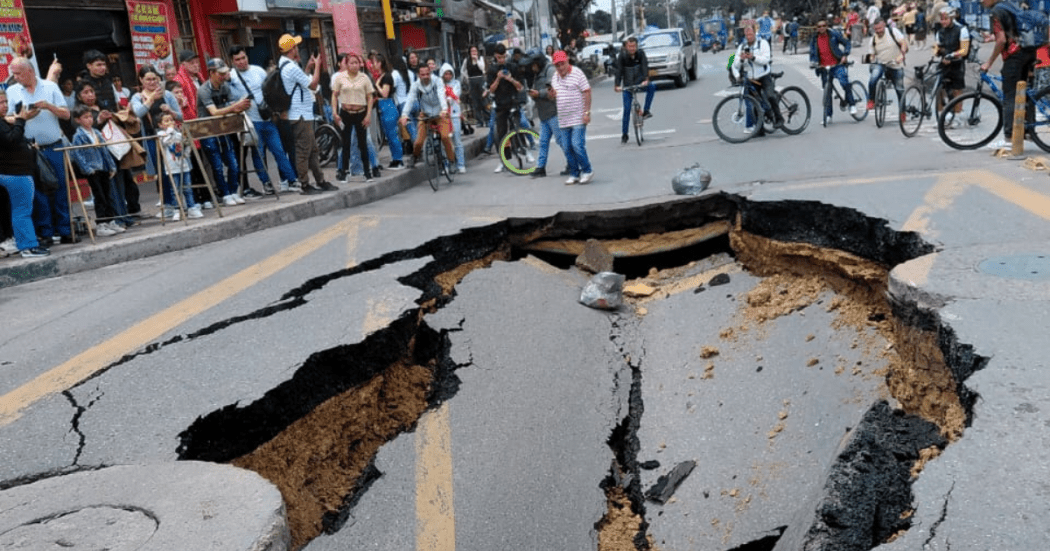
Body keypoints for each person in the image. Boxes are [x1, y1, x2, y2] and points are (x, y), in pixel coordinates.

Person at [5, 57, 78, 245]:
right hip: (28, 149)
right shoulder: (12, 91)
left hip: (53, 145)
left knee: (60, 187)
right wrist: (23, 117)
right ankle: (45, 232)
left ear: (29, 71)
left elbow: (67, 114)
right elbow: (7, 118)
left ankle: (65, 229)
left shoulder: (50, 87)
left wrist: (48, 106)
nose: (15, 77)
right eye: (14, 73)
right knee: (37, 193)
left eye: (18, 73)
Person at [228, 45, 299, 194]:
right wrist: (238, 105)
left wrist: (275, 109)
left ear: (247, 56)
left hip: (268, 119)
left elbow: (270, 90)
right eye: (237, 59)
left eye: (243, 58)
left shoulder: (258, 71)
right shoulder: (231, 77)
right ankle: (266, 183)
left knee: (279, 151)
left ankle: (292, 179)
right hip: (251, 122)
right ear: (232, 61)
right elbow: (229, 100)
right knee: (258, 154)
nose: (241, 62)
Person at [277, 33, 333, 195]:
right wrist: (317, 66)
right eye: (295, 46)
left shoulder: (286, 65)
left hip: (302, 114)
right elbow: (313, 85)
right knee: (303, 151)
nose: (298, 49)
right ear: (291, 49)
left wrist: (308, 68)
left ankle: (320, 180)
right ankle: (305, 184)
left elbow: (300, 83)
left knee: (313, 149)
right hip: (300, 115)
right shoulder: (291, 67)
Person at [0, 88, 49, 257]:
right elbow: (10, 139)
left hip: (19, 171)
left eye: (5, 102)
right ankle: (27, 246)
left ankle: (28, 244)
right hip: (14, 172)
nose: (4, 106)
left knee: (22, 210)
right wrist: (21, 121)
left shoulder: (4, 121)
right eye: (1, 103)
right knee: (22, 211)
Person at [131, 65, 185, 217]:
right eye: (148, 79)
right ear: (141, 80)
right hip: (152, 138)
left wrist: (170, 111)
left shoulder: (167, 94)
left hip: (171, 137)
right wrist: (150, 100)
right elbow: (138, 112)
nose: (152, 82)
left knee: (176, 169)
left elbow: (180, 116)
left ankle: (182, 203)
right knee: (161, 173)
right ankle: (168, 205)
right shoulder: (137, 97)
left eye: (154, 78)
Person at [197, 58, 251, 206]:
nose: (223, 76)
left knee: (233, 163)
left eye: (225, 73)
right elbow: (214, 112)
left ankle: (233, 191)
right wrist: (234, 108)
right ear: (211, 73)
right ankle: (225, 194)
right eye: (220, 73)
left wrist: (241, 106)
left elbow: (233, 103)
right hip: (208, 131)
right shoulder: (204, 90)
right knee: (217, 166)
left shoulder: (225, 87)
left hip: (224, 129)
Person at [69, 104, 123, 236]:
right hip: (93, 169)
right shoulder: (78, 136)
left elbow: (105, 150)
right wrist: (87, 169)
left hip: (103, 167)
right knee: (99, 197)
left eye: (90, 116)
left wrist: (111, 166)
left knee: (107, 195)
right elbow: (77, 154)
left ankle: (111, 221)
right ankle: (101, 224)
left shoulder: (97, 132)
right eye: (85, 117)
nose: (89, 119)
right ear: (78, 120)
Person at [398, 64, 454, 168]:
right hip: (425, 114)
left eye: (427, 74)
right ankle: (415, 157)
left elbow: (441, 94)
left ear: (430, 73)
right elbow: (410, 99)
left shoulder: (437, 81)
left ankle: (451, 160)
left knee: (445, 137)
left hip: (440, 113)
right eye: (422, 74)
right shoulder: (415, 85)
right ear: (418, 75)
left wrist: (444, 109)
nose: (425, 76)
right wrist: (404, 115)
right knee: (419, 141)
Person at [332, 51, 376, 183]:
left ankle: (367, 172)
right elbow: (334, 95)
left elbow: (370, 97)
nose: (354, 65)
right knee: (345, 143)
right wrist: (335, 113)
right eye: (351, 63)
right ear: (346, 64)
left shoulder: (364, 78)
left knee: (363, 143)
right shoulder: (340, 78)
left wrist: (368, 115)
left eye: (356, 62)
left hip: (360, 112)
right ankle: (344, 172)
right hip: (345, 112)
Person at [550, 50, 593, 185]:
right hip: (563, 118)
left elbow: (587, 92)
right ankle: (574, 173)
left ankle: (587, 170)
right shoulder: (555, 77)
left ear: (567, 61)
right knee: (567, 147)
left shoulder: (577, 73)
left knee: (577, 145)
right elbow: (554, 95)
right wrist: (551, 94)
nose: (560, 67)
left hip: (578, 117)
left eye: (562, 64)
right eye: (557, 65)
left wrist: (586, 112)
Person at [733, 25, 785, 129]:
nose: (749, 37)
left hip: (764, 76)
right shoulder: (742, 47)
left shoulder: (763, 43)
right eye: (747, 34)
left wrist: (753, 57)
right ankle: (760, 128)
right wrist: (742, 59)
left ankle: (779, 118)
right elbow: (735, 64)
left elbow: (766, 59)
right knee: (756, 102)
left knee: (770, 96)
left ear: (754, 33)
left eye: (751, 34)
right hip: (752, 78)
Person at [525, 53, 566, 179]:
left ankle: (573, 163)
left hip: (553, 112)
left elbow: (553, 90)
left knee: (562, 141)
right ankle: (540, 167)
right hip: (544, 114)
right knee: (543, 142)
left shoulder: (550, 70)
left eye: (534, 65)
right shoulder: (537, 74)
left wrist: (539, 94)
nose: (532, 68)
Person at [810, 18, 859, 120]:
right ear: (816, 28)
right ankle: (828, 115)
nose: (821, 28)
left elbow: (847, 43)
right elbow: (812, 52)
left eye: (824, 25)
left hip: (837, 64)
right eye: (819, 26)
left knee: (844, 83)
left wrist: (845, 55)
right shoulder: (814, 38)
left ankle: (852, 104)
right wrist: (813, 62)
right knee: (827, 91)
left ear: (827, 26)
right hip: (824, 68)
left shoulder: (834, 34)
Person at [156, 111, 202, 219]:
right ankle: (177, 209)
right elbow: (165, 142)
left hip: (183, 165)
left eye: (171, 120)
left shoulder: (178, 134)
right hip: (171, 167)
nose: (170, 123)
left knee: (187, 188)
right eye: (166, 121)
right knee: (175, 189)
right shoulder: (161, 135)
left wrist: (186, 151)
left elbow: (185, 144)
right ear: (160, 125)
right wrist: (170, 130)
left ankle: (191, 208)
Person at [486, 43, 524, 174]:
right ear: (495, 56)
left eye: (503, 57)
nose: (501, 60)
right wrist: (498, 78)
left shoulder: (513, 66)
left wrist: (510, 79)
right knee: (501, 133)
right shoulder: (491, 69)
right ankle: (503, 160)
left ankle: (523, 150)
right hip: (500, 104)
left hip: (513, 102)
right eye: (499, 57)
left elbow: (520, 87)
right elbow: (490, 90)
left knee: (519, 126)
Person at [613, 36, 655, 144]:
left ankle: (646, 111)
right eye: (629, 46)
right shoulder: (622, 56)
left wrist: (646, 79)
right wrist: (617, 85)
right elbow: (619, 71)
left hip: (640, 82)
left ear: (636, 46)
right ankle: (625, 134)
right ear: (626, 47)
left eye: (633, 46)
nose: (631, 48)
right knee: (627, 109)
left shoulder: (641, 54)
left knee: (652, 86)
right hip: (627, 85)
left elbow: (645, 66)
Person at [866, 18, 908, 118]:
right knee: (873, 79)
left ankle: (902, 112)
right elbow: (871, 54)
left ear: (884, 25)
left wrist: (901, 55)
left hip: (895, 64)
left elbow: (903, 43)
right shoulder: (873, 39)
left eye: (880, 28)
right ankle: (871, 100)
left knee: (899, 89)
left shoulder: (893, 32)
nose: (878, 31)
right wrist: (870, 59)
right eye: (876, 29)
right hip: (881, 64)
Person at [933, 7, 969, 125]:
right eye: (941, 19)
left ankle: (958, 116)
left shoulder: (961, 30)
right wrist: (937, 52)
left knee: (957, 90)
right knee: (939, 89)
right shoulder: (940, 32)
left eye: (946, 19)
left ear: (952, 18)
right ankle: (941, 115)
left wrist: (952, 55)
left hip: (957, 63)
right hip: (944, 62)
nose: (943, 22)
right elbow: (937, 47)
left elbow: (964, 50)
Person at [373, 54, 406, 170]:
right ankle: (395, 158)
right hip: (383, 106)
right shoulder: (381, 76)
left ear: (381, 63)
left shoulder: (386, 76)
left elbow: (385, 93)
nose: (374, 65)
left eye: (376, 62)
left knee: (392, 134)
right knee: (388, 134)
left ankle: (399, 159)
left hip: (388, 106)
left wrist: (377, 85)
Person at [440, 63, 467, 174]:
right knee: (445, 142)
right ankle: (447, 165)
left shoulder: (456, 83)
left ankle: (460, 164)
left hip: (455, 115)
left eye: (449, 73)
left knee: (457, 140)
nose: (448, 76)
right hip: (444, 116)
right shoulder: (439, 84)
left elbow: (454, 95)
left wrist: (449, 98)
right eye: (445, 74)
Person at [461, 46, 488, 126]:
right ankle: (479, 121)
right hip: (472, 80)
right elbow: (462, 70)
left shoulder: (480, 58)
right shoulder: (466, 60)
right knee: (475, 102)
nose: (474, 52)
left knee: (484, 100)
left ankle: (487, 119)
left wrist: (476, 60)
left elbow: (482, 68)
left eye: (475, 51)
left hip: (480, 80)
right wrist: (467, 77)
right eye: (472, 51)